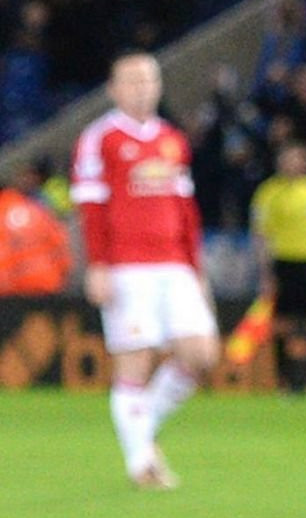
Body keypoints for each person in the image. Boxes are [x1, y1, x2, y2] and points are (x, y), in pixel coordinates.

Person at [70, 51, 219, 489]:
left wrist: (196, 267)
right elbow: (91, 206)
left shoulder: (172, 139)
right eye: (132, 80)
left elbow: (185, 208)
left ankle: (141, 430)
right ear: (113, 89)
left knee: (201, 355)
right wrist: (98, 265)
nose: (142, 88)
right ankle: (142, 463)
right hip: (126, 266)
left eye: (149, 80)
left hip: (174, 264)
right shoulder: (100, 138)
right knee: (136, 360)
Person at [250, 140, 306, 394]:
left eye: (301, 159)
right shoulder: (268, 192)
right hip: (283, 263)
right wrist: (266, 274)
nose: (298, 164)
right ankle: (286, 382)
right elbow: (260, 235)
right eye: (292, 159)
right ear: (281, 162)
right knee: (282, 324)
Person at [0, 176, 72, 294]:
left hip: (12, 291)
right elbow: (60, 246)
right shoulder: (38, 210)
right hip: (48, 284)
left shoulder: (2, 213)